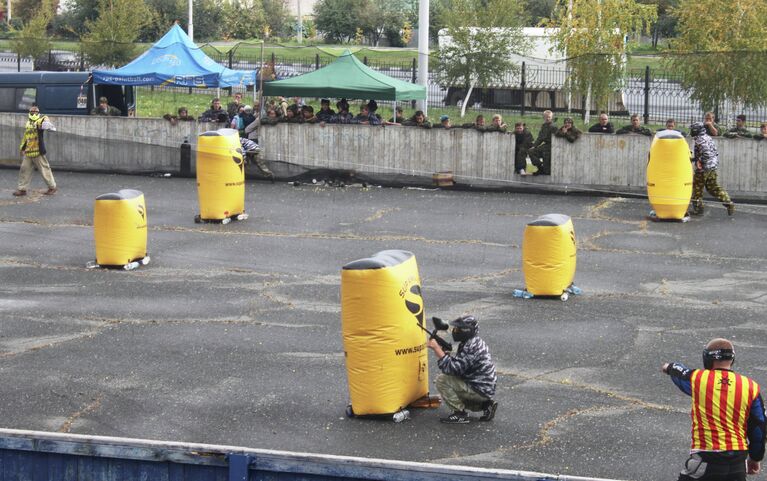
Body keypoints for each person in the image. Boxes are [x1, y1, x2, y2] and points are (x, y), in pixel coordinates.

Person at [662, 338, 765, 481]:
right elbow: (759, 427)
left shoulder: (699, 378)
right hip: (738, 462)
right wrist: (755, 458)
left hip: (707, 457)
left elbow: (679, 372)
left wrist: (668, 367)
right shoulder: (750, 386)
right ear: (732, 359)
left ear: (707, 358)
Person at [426, 315, 497, 424]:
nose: (455, 331)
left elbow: (452, 369)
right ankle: (485, 405)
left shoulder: (471, 346)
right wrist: (445, 354)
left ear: (467, 330)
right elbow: (461, 366)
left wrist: (436, 349)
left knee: (442, 380)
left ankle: (459, 414)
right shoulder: (473, 341)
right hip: (482, 387)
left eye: (458, 329)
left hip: (479, 389)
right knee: (451, 383)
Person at [689, 122, 735, 216]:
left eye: (693, 129)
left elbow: (706, 153)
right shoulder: (707, 137)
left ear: (696, 130)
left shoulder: (699, 139)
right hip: (712, 166)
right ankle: (728, 203)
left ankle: (698, 209)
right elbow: (713, 152)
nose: (691, 131)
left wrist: (699, 162)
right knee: (713, 188)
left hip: (704, 168)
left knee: (697, 189)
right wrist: (694, 159)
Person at [13, 104, 57, 196]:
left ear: (38, 112)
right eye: (32, 111)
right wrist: (22, 147)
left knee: (45, 169)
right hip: (29, 152)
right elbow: (26, 136)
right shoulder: (28, 123)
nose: (33, 113)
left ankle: (52, 187)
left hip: (38, 152)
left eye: (35, 111)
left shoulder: (40, 120)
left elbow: (45, 120)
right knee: (24, 169)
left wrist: (47, 123)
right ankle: (22, 189)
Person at [527, 110, 557, 175]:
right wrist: (534, 146)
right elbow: (540, 138)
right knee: (531, 151)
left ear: (552, 117)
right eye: (546, 117)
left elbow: (557, 138)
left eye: (549, 117)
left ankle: (544, 169)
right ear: (543, 117)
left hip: (552, 146)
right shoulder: (544, 126)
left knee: (547, 171)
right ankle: (540, 167)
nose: (547, 118)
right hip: (546, 146)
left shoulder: (554, 127)